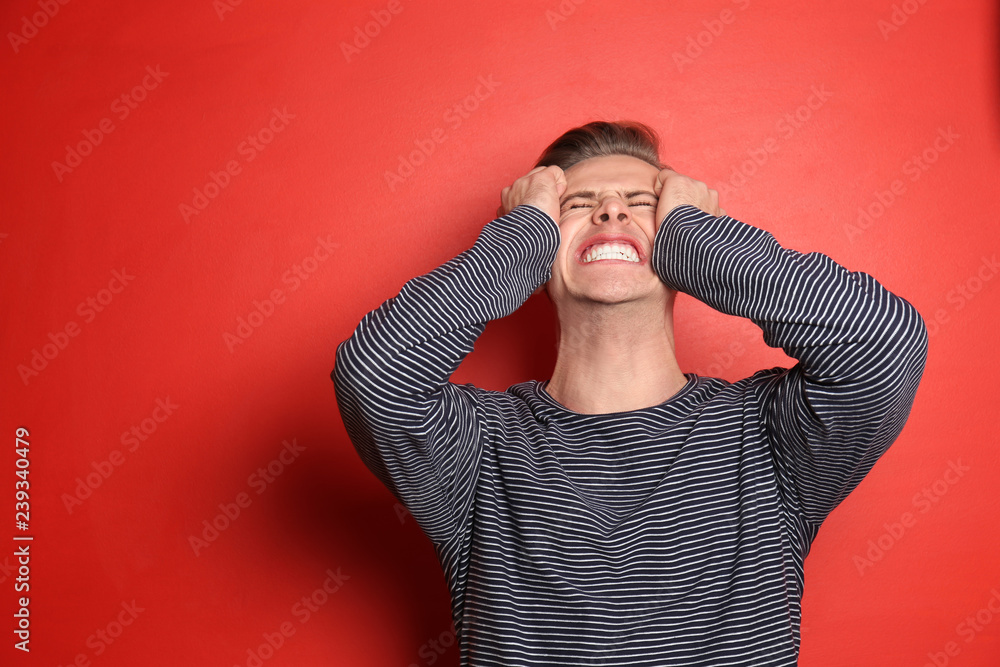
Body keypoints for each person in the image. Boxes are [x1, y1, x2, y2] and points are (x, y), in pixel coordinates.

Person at [332, 121, 928, 666]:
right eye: (576, 205)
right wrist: (516, 239)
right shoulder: (479, 451)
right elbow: (373, 376)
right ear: (540, 249)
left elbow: (885, 342)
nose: (612, 211)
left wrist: (699, 239)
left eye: (643, 204)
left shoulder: (769, 437)